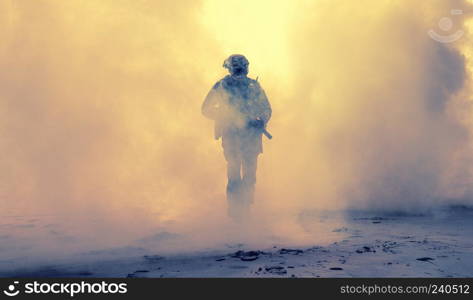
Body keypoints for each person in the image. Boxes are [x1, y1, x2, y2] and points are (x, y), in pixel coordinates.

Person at [202, 54, 272, 220]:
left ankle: (245, 207)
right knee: (234, 171)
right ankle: (235, 210)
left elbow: (266, 109)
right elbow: (206, 109)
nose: (240, 70)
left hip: (251, 136)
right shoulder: (222, 86)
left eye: (241, 67)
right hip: (231, 134)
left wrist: (260, 120)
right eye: (237, 67)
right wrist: (225, 115)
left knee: (249, 174)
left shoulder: (253, 87)